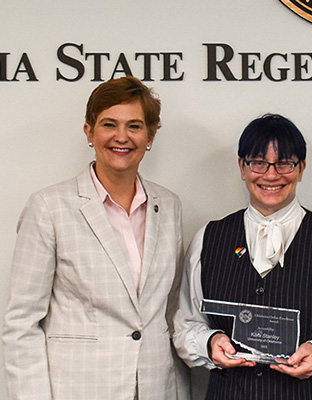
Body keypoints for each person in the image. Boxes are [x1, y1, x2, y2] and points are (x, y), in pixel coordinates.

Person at [173, 113, 312, 399]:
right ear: (242, 166)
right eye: (258, 162)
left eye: (284, 163)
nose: (271, 174)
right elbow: (186, 325)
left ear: (301, 169)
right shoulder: (208, 239)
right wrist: (209, 343)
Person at [2, 76, 190, 400]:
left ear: (151, 135)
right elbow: (21, 324)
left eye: (134, 126)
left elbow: (171, 311)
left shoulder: (169, 205)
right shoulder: (49, 207)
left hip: (158, 388)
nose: (121, 137)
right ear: (89, 132)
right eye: (108, 124)